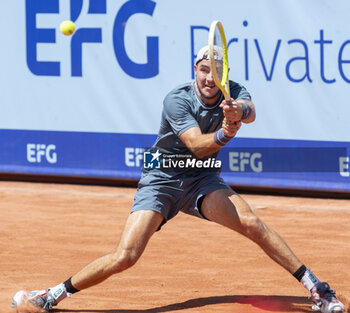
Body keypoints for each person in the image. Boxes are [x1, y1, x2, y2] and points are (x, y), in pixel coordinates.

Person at [12, 45, 344, 313]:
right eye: (203, 69)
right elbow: (198, 146)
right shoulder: (177, 99)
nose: (209, 78)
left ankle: (317, 289)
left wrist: (239, 112)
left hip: (201, 181)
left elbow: (250, 109)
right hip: (161, 180)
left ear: (222, 73)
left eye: (215, 71)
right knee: (126, 256)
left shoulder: (234, 90)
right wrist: (226, 132)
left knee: (252, 223)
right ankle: (50, 296)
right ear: (195, 70)